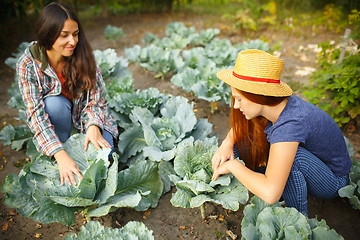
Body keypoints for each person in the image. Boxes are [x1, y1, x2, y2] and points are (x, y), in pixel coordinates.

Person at [211, 49, 351, 215]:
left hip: (331, 180)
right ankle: (281, 183)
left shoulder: (289, 126)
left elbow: (270, 194)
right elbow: (242, 128)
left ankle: (296, 219)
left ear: (258, 96)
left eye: (239, 99)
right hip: (314, 162)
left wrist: (234, 166)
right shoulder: (277, 105)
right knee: (238, 145)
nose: (235, 106)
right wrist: (226, 143)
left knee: (293, 159)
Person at [16, 2, 118, 186]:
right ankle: (60, 150)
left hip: (84, 121)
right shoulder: (28, 64)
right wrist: (61, 155)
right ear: (48, 34)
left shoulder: (84, 55)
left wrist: (94, 126)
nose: (73, 41)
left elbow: (96, 100)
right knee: (54, 104)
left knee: (106, 157)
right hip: (57, 124)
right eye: (65, 35)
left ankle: (77, 147)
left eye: (76, 34)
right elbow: (35, 116)